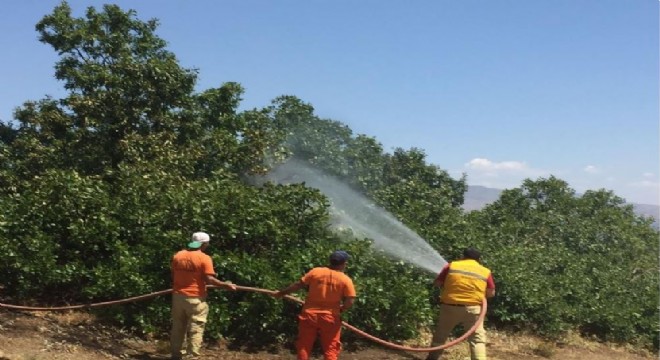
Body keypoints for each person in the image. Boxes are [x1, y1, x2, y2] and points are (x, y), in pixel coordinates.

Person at [274, 250, 357, 360]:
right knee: (331, 348)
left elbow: (298, 285)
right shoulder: (345, 280)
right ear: (344, 263)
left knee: (304, 345)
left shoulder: (316, 272)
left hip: (309, 315)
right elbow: (349, 301)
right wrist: (342, 309)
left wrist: (281, 293)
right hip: (330, 318)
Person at [170, 231, 237, 360]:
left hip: (178, 296)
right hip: (195, 298)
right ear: (204, 244)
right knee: (196, 328)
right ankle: (192, 357)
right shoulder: (204, 258)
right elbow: (209, 280)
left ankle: (176, 355)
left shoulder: (178, 255)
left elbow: (174, 275)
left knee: (178, 326)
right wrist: (225, 284)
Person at [425, 248, 495, 360]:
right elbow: (491, 293)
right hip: (473, 309)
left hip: (449, 307)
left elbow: (437, 283)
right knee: (477, 339)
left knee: (440, 335)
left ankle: (432, 358)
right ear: (479, 259)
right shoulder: (485, 271)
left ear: (463, 256)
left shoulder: (451, 266)